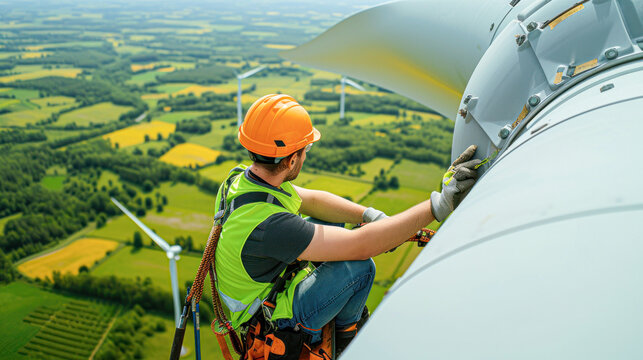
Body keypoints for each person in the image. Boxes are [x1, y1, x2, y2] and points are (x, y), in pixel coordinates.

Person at [214, 94, 480, 357]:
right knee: (360, 269)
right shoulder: (271, 226)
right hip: (270, 317)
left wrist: (369, 215)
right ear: (291, 160)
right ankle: (347, 342)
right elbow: (360, 246)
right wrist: (438, 205)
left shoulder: (241, 179)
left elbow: (313, 201)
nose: (306, 154)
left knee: (333, 223)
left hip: (265, 284)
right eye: (305, 149)